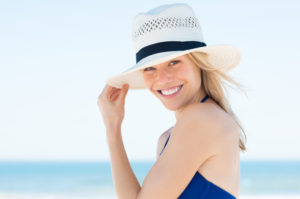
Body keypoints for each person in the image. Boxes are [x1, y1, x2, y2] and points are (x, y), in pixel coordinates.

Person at [97, 3, 247, 199]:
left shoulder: (202, 120)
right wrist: (112, 128)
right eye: (150, 68)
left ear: (198, 62)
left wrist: (112, 131)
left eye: (174, 62)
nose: (162, 78)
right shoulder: (168, 137)